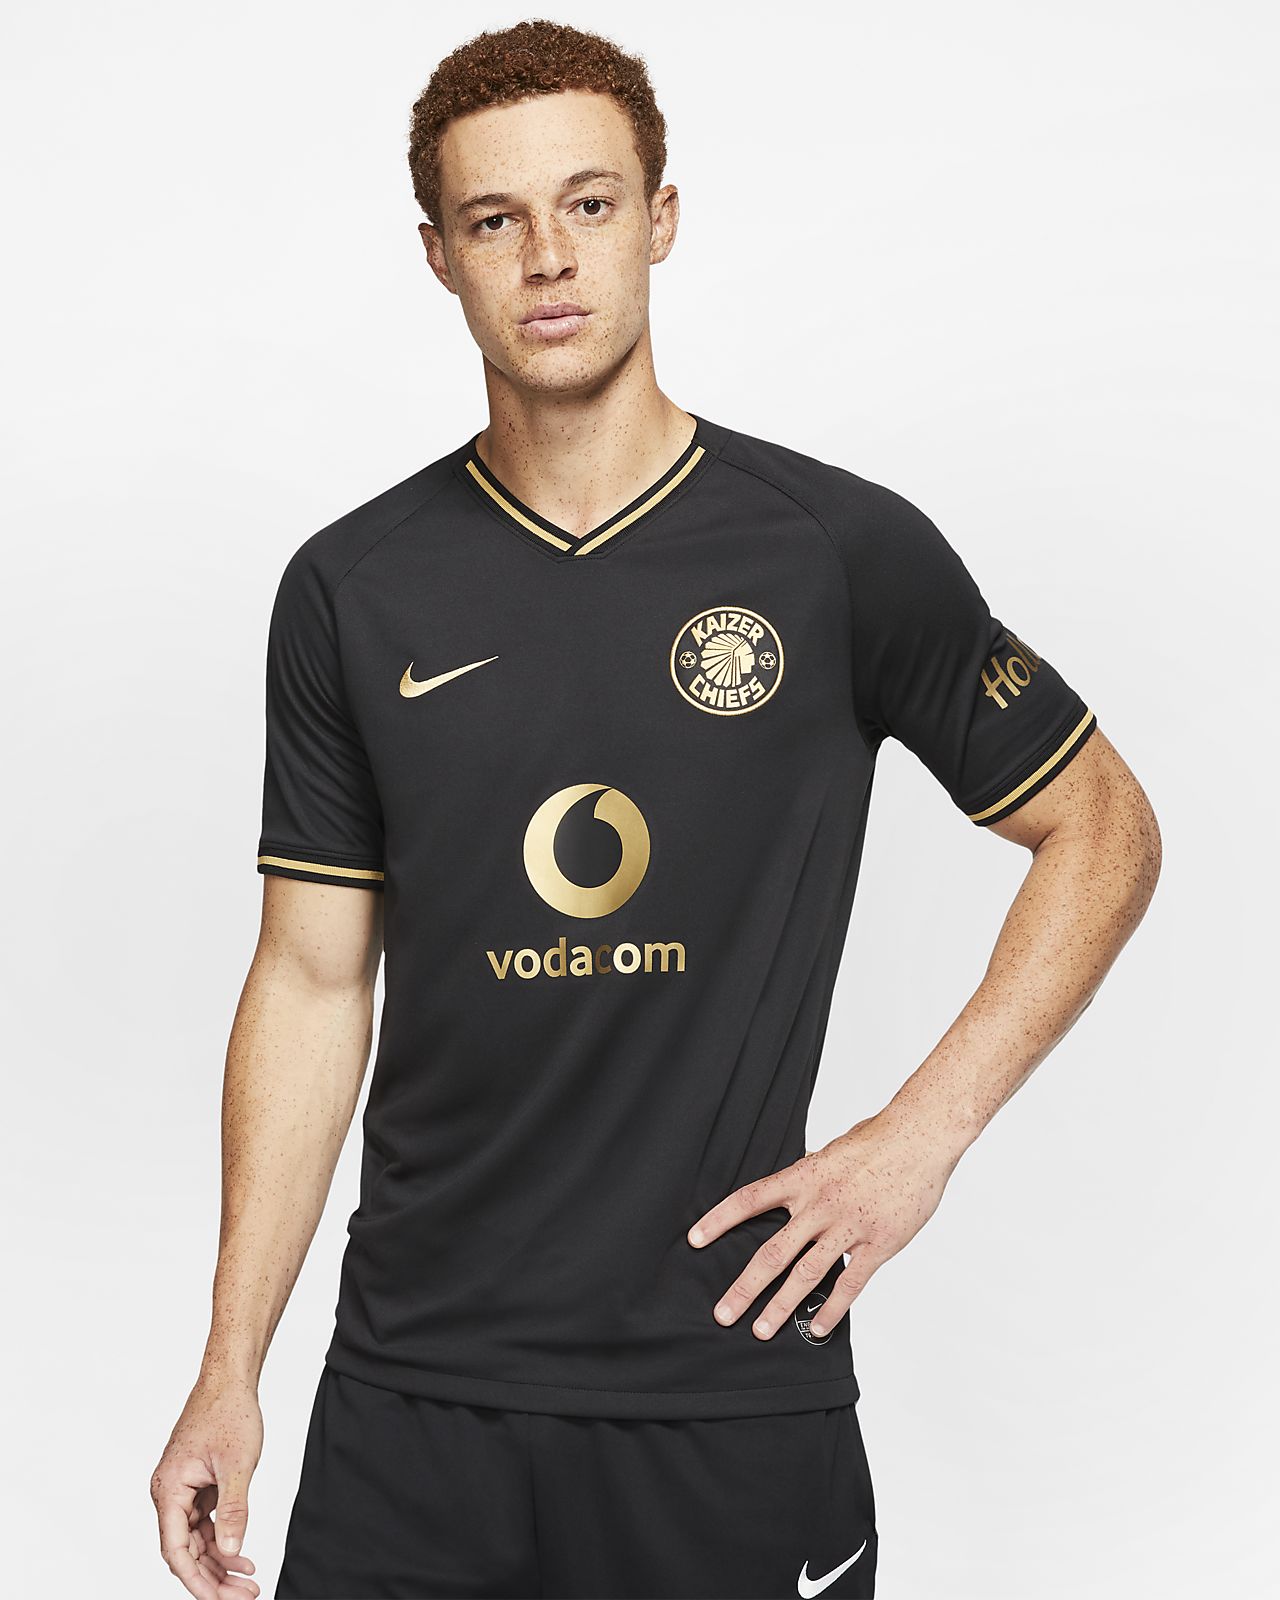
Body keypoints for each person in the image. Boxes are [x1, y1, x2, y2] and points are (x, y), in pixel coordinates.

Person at [149, 18, 1161, 1600]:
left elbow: (1103, 827)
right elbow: (311, 980)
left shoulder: (831, 551)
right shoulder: (354, 587)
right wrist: (230, 1367)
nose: (549, 256)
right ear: (438, 256)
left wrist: (919, 1139)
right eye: (496, 219)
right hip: (415, 1402)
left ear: (661, 219)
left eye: (590, 203)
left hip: (727, 1391)